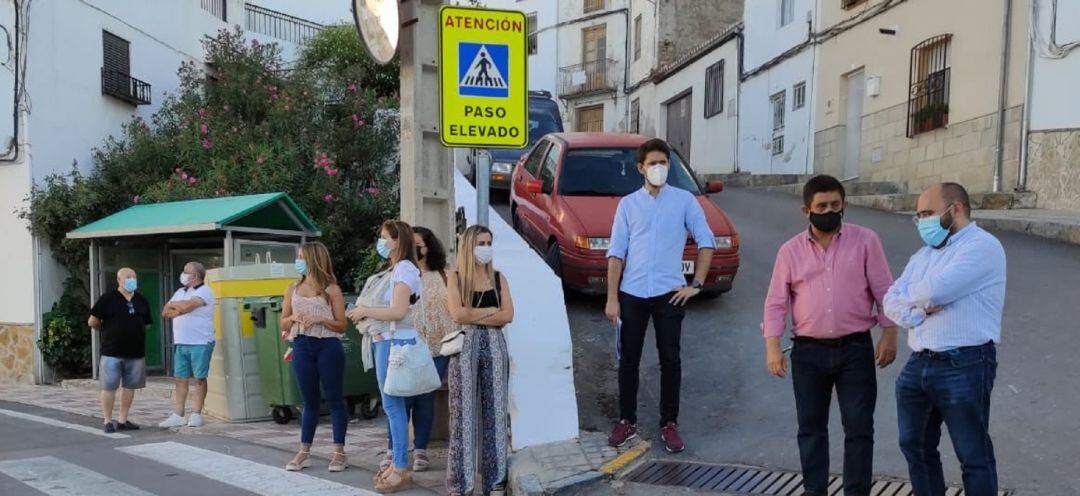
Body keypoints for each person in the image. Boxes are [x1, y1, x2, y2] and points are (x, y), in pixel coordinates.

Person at [761, 175, 899, 496]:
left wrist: (889, 333)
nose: (829, 211)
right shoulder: (790, 251)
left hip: (855, 349)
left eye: (835, 205)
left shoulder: (866, 241)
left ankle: (857, 491)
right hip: (808, 353)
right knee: (810, 429)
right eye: (821, 206)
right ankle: (814, 490)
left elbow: (884, 289)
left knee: (859, 428)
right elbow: (776, 302)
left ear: (844, 205)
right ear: (806, 210)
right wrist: (772, 347)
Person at [885, 183, 1006, 496]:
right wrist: (919, 313)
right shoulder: (924, 255)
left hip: (963, 363)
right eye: (918, 216)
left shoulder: (982, 247)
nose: (922, 222)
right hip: (919, 363)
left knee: (972, 455)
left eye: (927, 214)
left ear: (956, 209)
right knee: (915, 446)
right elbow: (889, 300)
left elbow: (935, 291)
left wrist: (915, 298)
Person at [604, 137, 715, 452]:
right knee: (629, 360)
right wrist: (612, 298)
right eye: (652, 163)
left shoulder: (684, 202)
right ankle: (627, 420)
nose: (658, 168)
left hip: (670, 292)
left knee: (670, 359)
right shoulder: (628, 205)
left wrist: (696, 285)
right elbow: (616, 253)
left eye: (663, 163)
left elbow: (706, 241)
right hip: (632, 293)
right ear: (641, 168)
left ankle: (670, 423)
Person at [347, 220, 424, 493]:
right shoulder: (399, 269)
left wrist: (365, 311)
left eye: (384, 237)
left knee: (393, 407)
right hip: (387, 342)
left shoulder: (403, 269)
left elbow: (398, 311)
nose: (380, 242)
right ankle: (398, 463)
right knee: (394, 407)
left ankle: (401, 467)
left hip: (393, 343)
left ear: (396, 241)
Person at [376, 226, 454, 474]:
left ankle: (420, 448)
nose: (416, 248)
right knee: (399, 396)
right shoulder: (398, 273)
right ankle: (395, 449)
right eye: (413, 243)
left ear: (428, 247)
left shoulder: (444, 275)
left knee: (424, 398)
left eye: (419, 244)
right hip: (407, 342)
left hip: (437, 346)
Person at [445, 225, 514, 496]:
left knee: (496, 412)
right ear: (469, 246)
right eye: (481, 242)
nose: (486, 247)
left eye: (489, 242)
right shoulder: (457, 278)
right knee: (463, 413)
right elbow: (457, 315)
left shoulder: (499, 278)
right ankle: (461, 484)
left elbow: (507, 315)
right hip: (466, 345)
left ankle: (495, 482)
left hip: (495, 345)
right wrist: (489, 311)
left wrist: (474, 312)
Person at [280, 242, 349, 472]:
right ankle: (304, 451)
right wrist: (293, 319)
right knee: (308, 400)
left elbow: (342, 326)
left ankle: (339, 452)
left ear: (314, 259)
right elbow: (283, 320)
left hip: (328, 345)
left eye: (302, 257)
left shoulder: (332, 290)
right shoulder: (292, 289)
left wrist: (321, 320)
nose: (298, 261)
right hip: (301, 344)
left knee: (334, 398)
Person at [88, 267, 152, 434]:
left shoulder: (141, 300)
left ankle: (123, 419)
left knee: (130, 387)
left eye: (134, 276)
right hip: (112, 351)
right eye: (128, 277)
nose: (132, 279)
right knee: (109, 387)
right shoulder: (108, 299)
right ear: (119, 280)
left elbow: (147, 323)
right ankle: (107, 420)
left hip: (135, 352)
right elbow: (92, 321)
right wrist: (106, 330)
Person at [159, 262, 216, 429]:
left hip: (200, 342)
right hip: (181, 341)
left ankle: (197, 413)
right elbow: (165, 311)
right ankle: (178, 413)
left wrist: (180, 307)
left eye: (186, 272)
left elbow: (187, 305)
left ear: (195, 276)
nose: (183, 274)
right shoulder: (180, 291)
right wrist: (181, 308)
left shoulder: (205, 291)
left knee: (199, 378)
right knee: (180, 379)